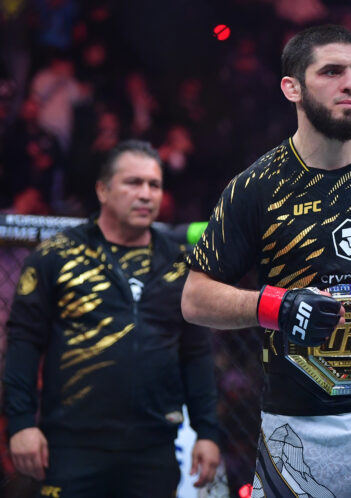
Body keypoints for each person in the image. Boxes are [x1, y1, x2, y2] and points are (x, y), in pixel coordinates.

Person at [180, 25, 351, 498]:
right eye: (331, 72)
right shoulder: (256, 187)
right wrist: (277, 307)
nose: (350, 84)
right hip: (298, 428)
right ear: (292, 87)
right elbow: (194, 297)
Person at [2, 140, 220, 497]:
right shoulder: (57, 256)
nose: (146, 194)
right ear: (102, 190)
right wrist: (21, 422)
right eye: (133, 182)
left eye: (154, 184)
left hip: (154, 448)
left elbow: (195, 353)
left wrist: (207, 432)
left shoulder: (180, 263)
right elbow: (23, 343)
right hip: (71, 446)